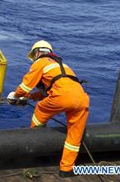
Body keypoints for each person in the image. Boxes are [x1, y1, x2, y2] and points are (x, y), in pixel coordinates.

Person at [7, 40, 89, 178]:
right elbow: (51, 90)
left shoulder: (40, 62)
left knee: (40, 110)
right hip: (82, 99)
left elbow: (25, 86)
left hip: (62, 96)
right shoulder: (62, 65)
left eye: (34, 55)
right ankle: (66, 169)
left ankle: (37, 150)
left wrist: (15, 96)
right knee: (74, 135)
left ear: (38, 52)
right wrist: (31, 97)